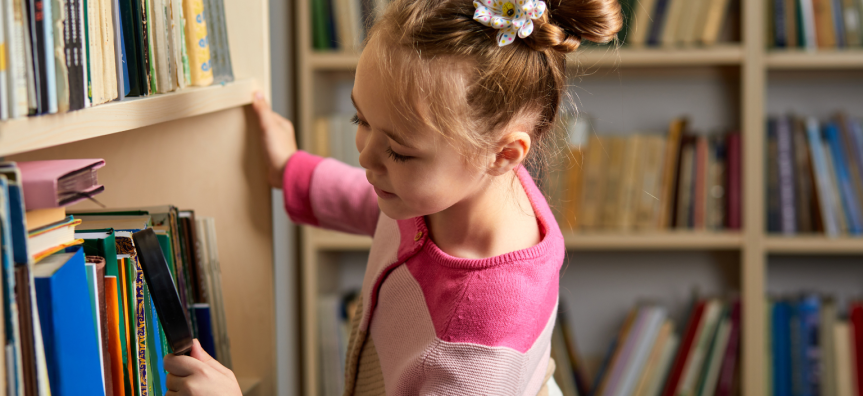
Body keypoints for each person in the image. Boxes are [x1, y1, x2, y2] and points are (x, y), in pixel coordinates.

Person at [164, 0, 621, 394]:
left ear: (502, 153)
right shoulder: (458, 193)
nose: (365, 155)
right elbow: (387, 214)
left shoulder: (477, 340)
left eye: (400, 153)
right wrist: (291, 170)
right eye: (359, 120)